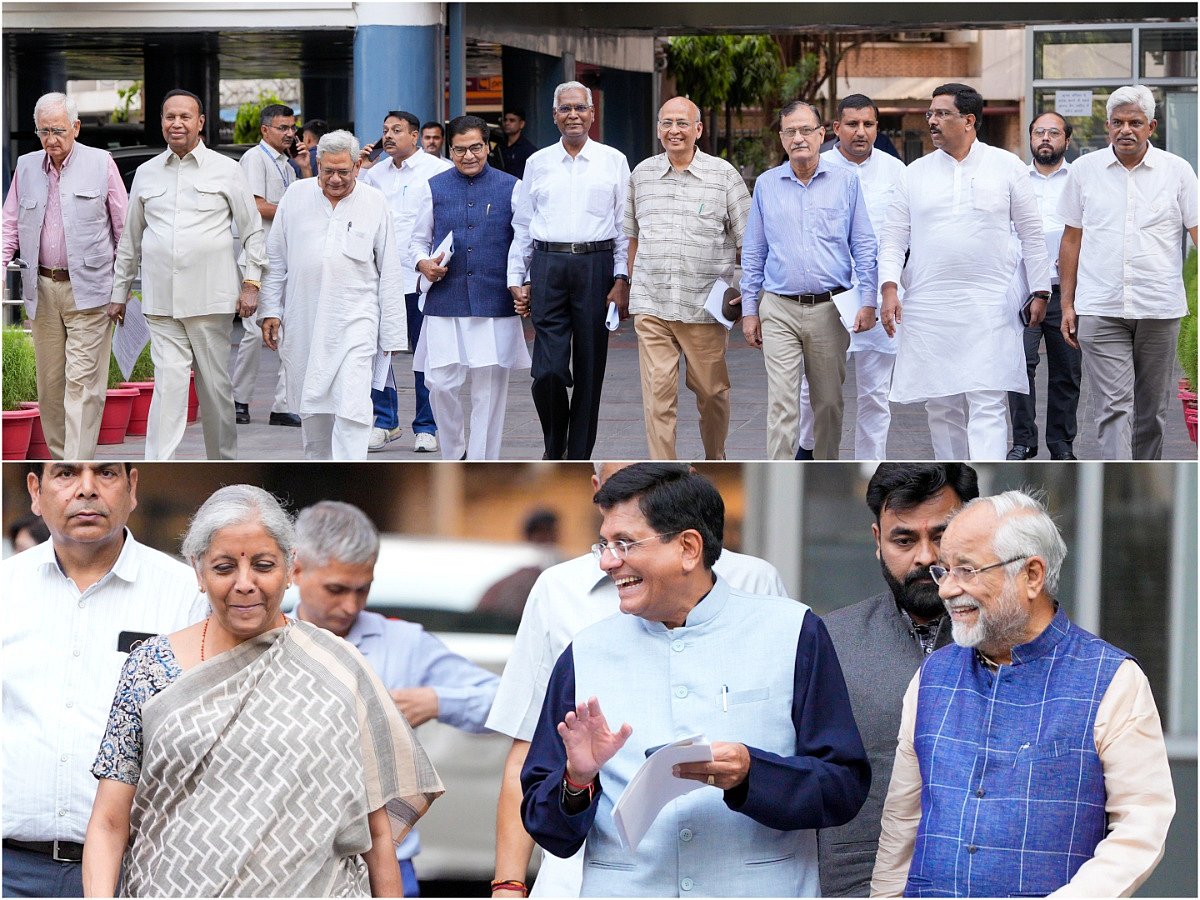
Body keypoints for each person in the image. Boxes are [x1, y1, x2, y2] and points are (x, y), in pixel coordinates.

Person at [519, 464, 869, 896]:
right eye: (604, 544)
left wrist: (751, 772)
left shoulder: (794, 632)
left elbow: (844, 787)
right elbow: (547, 830)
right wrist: (577, 779)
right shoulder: (584, 653)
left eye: (625, 543)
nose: (608, 561)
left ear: (688, 548)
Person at [82, 485, 444, 898]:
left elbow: (377, 835)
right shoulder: (149, 667)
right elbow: (109, 822)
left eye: (263, 565)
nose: (245, 584)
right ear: (198, 571)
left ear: (290, 568)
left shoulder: (337, 667)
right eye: (223, 568)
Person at [871, 490, 1175, 897]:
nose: (946, 590)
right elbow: (902, 823)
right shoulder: (932, 675)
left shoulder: (1113, 679)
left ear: (1031, 575)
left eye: (966, 570)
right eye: (946, 571)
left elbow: (1141, 826)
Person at [3, 463, 205, 898]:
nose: (87, 490)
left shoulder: (186, 595)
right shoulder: (6, 588)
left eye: (106, 474)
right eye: (66, 473)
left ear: (132, 487)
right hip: (10, 870)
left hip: (139, 870)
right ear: (35, 491)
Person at [292, 501, 497, 897]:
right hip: (291, 861)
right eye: (336, 589)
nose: (351, 605)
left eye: (363, 589)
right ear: (296, 569)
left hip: (390, 860)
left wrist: (436, 701)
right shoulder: (268, 638)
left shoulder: (403, 642)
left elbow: (505, 702)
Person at [816, 463, 978, 897]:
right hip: (858, 883)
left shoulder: (1011, 641)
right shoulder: (828, 641)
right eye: (904, 540)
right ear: (877, 541)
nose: (925, 557)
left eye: (941, 536)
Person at [878, 83, 1051, 461]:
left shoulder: (1006, 166)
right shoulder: (914, 173)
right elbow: (892, 238)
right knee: (940, 404)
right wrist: (889, 287)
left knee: (988, 398)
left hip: (990, 302)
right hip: (930, 304)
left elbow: (1031, 233)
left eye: (942, 114)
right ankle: (955, 479)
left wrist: (1040, 290)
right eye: (930, 114)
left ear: (969, 120)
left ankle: (986, 479)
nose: (932, 121)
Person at [109, 88, 265, 461]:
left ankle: (223, 464)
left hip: (210, 302)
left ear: (200, 122)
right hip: (162, 303)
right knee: (168, 388)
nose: (176, 123)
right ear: (162, 122)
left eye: (184, 117)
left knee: (215, 391)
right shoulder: (146, 173)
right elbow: (130, 239)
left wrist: (252, 282)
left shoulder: (227, 169)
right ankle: (158, 464)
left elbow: (252, 231)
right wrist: (118, 293)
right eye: (170, 117)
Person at [1058, 84, 1199, 460]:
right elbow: (1071, 239)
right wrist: (1068, 304)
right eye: (1117, 122)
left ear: (1151, 127)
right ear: (1107, 126)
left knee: (1152, 413)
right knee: (1114, 408)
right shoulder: (1084, 171)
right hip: (1100, 306)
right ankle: (1116, 475)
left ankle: (1141, 468)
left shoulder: (1177, 171)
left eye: (1135, 122)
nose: (1125, 130)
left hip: (1159, 307)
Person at [740, 99, 878, 460]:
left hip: (830, 310)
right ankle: (780, 476)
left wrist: (868, 300)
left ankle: (825, 470)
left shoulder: (845, 183)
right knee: (782, 404)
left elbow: (864, 244)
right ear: (781, 138)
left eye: (805, 130)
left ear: (821, 134)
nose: (798, 138)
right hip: (779, 309)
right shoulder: (767, 185)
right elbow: (753, 251)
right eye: (790, 132)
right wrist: (750, 310)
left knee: (829, 403)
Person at [259, 130, 406, 460]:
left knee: (353, 407)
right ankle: (321, 471)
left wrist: (393, 333)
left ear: (357, 167)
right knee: (314, 412)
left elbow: (390, 269)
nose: (335, 179)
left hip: (357, 322)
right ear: (318, 164)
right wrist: (270, 310)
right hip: (305, 321)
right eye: (328, 171)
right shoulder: (296, 196)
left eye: (343, 171)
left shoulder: (374, 201)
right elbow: (276, 259)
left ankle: (351, 473)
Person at [508, 81, 631, 460]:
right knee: (547, 371)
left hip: (596, 266)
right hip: (548, 266)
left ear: (592, 114)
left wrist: (622, 278)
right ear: (554, 115)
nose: (573, 115)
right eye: (565, 109)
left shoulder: (613, 161)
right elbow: (523, 225)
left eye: (580, 108)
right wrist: (517, 277)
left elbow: (624, 226)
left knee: (590, 371)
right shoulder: (538, 162)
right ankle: (554, 446)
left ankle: (577, 455)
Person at [2, 92, 127, 460]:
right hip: (42, 289)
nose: (50, 139)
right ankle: (62, 461)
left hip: (90, 291)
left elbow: (124, 231)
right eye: (43, 131)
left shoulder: (101, 163)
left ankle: (76, 462)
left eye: (57, 130)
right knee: (51, 386)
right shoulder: (26, 167)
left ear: (76, 127)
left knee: (82, 384)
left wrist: (121, 290)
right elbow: (9, 224)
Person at [626, 97, 752, 461]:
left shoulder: (723, 176)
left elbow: (749, 240)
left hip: (704, 309)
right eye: (667, 123)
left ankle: (716, 459)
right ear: (658, 129)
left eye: (682, 123)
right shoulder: (642, 175)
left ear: (698, 129)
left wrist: (750, 295)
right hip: (653, 305)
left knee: (712, 393)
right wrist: (632, 282)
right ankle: (662, 469)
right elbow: (632, 236)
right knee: (657, 397)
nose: (674, 131)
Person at [409, 114, 530, 460]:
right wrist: (423, 263)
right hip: (445, 300)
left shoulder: (511, 186)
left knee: (488, 394)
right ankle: (454, 453)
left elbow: (524, 241)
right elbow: (416, 240)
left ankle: (481, 462)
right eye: (460, 149)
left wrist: (521, 281)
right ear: (450, 150)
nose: (468, 156)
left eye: (475, 147)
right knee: (439, 383)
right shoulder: (434, 186)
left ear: (487, 147)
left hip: (494, 301)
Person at [796, 94, 907, 461]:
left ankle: (870, 465)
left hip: (879, 295)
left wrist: (892, 290)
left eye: (868, 124)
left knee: (876, 394)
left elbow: (904, 236)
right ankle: (808, 455)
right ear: (835, 128)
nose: (861, 132)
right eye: (852, 124)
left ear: (877, 128)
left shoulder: (896, 171)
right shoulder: (815, 166)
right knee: (814, 389)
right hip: (826, 296)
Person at [359, 110, 453, 454]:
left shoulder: (438, 171)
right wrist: (360, 169)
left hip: (421, 279)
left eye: (396, 130)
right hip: (381, 278)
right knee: (378, 352)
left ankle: (426, 426)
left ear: (415, 136)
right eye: (385, 130)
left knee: (424, 355)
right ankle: (385, 421)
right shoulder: (373, 175)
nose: (388, 136)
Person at [1005, 112, 1083, 462]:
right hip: (1023, 290)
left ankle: (1061, 445)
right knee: (1019, 367)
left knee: (1067, 370)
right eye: (1039, 132)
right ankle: (1024, 442)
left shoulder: (1079, 180)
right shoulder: (1016, 180)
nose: (1045, 138)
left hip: (1067, 292)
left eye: (1053, 132)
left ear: (1067, 139)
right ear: (1031, 138)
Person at [231, 103, 299, 430]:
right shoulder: (254, 159)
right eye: (282, 128)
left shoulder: (287, 165)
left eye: (292, 128)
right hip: (256, 260)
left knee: (289, 331)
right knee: (251, 332)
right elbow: (255, 206)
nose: (290, 133)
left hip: (284, 260)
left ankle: (284, 405)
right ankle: (239, 400)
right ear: (265, 130)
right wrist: (294, 210)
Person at [499, 108, 538, 180]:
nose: (507, 123)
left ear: (521, 124)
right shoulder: (499, 147)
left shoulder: (528, 150)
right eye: (505, 120)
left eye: (512, 120)